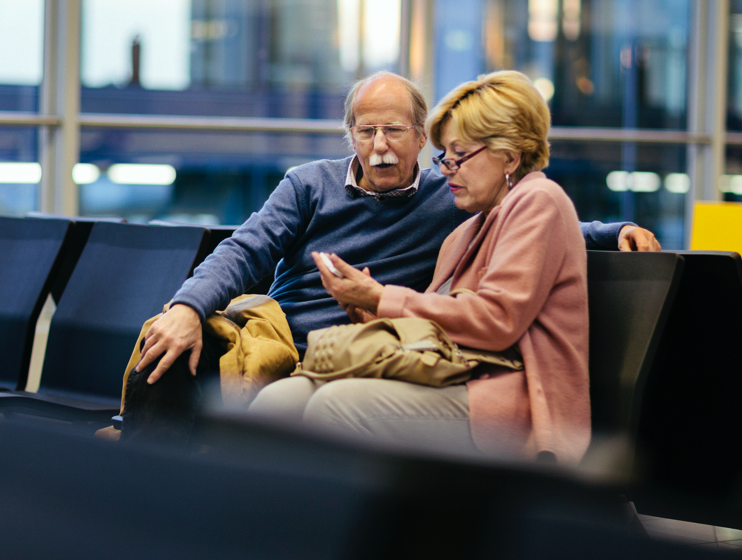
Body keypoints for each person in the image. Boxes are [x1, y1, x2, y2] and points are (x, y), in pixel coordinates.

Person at [135, 71, 659, 399]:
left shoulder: (451, 195)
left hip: (369, 352)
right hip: (284, 342)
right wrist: (187, 307)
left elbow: (530, 217)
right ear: (351, 136)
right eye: (366, 132)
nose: (380, 146)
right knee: (173, 340)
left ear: (420, 136)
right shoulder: (308, 185)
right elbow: (245, 251)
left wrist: (616, 230)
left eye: (395, 131)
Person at [250, 70, 590, 463]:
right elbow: (431, 330)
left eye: (459, 156)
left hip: (509, 399)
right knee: (277, 403)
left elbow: (496, 320)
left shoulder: (538, 201)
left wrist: (382, 298)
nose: (446, 170)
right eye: (445, 157)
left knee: (335, 405)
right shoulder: (463, 230)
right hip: (451, 375)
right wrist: (367, 310)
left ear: (510, 157)